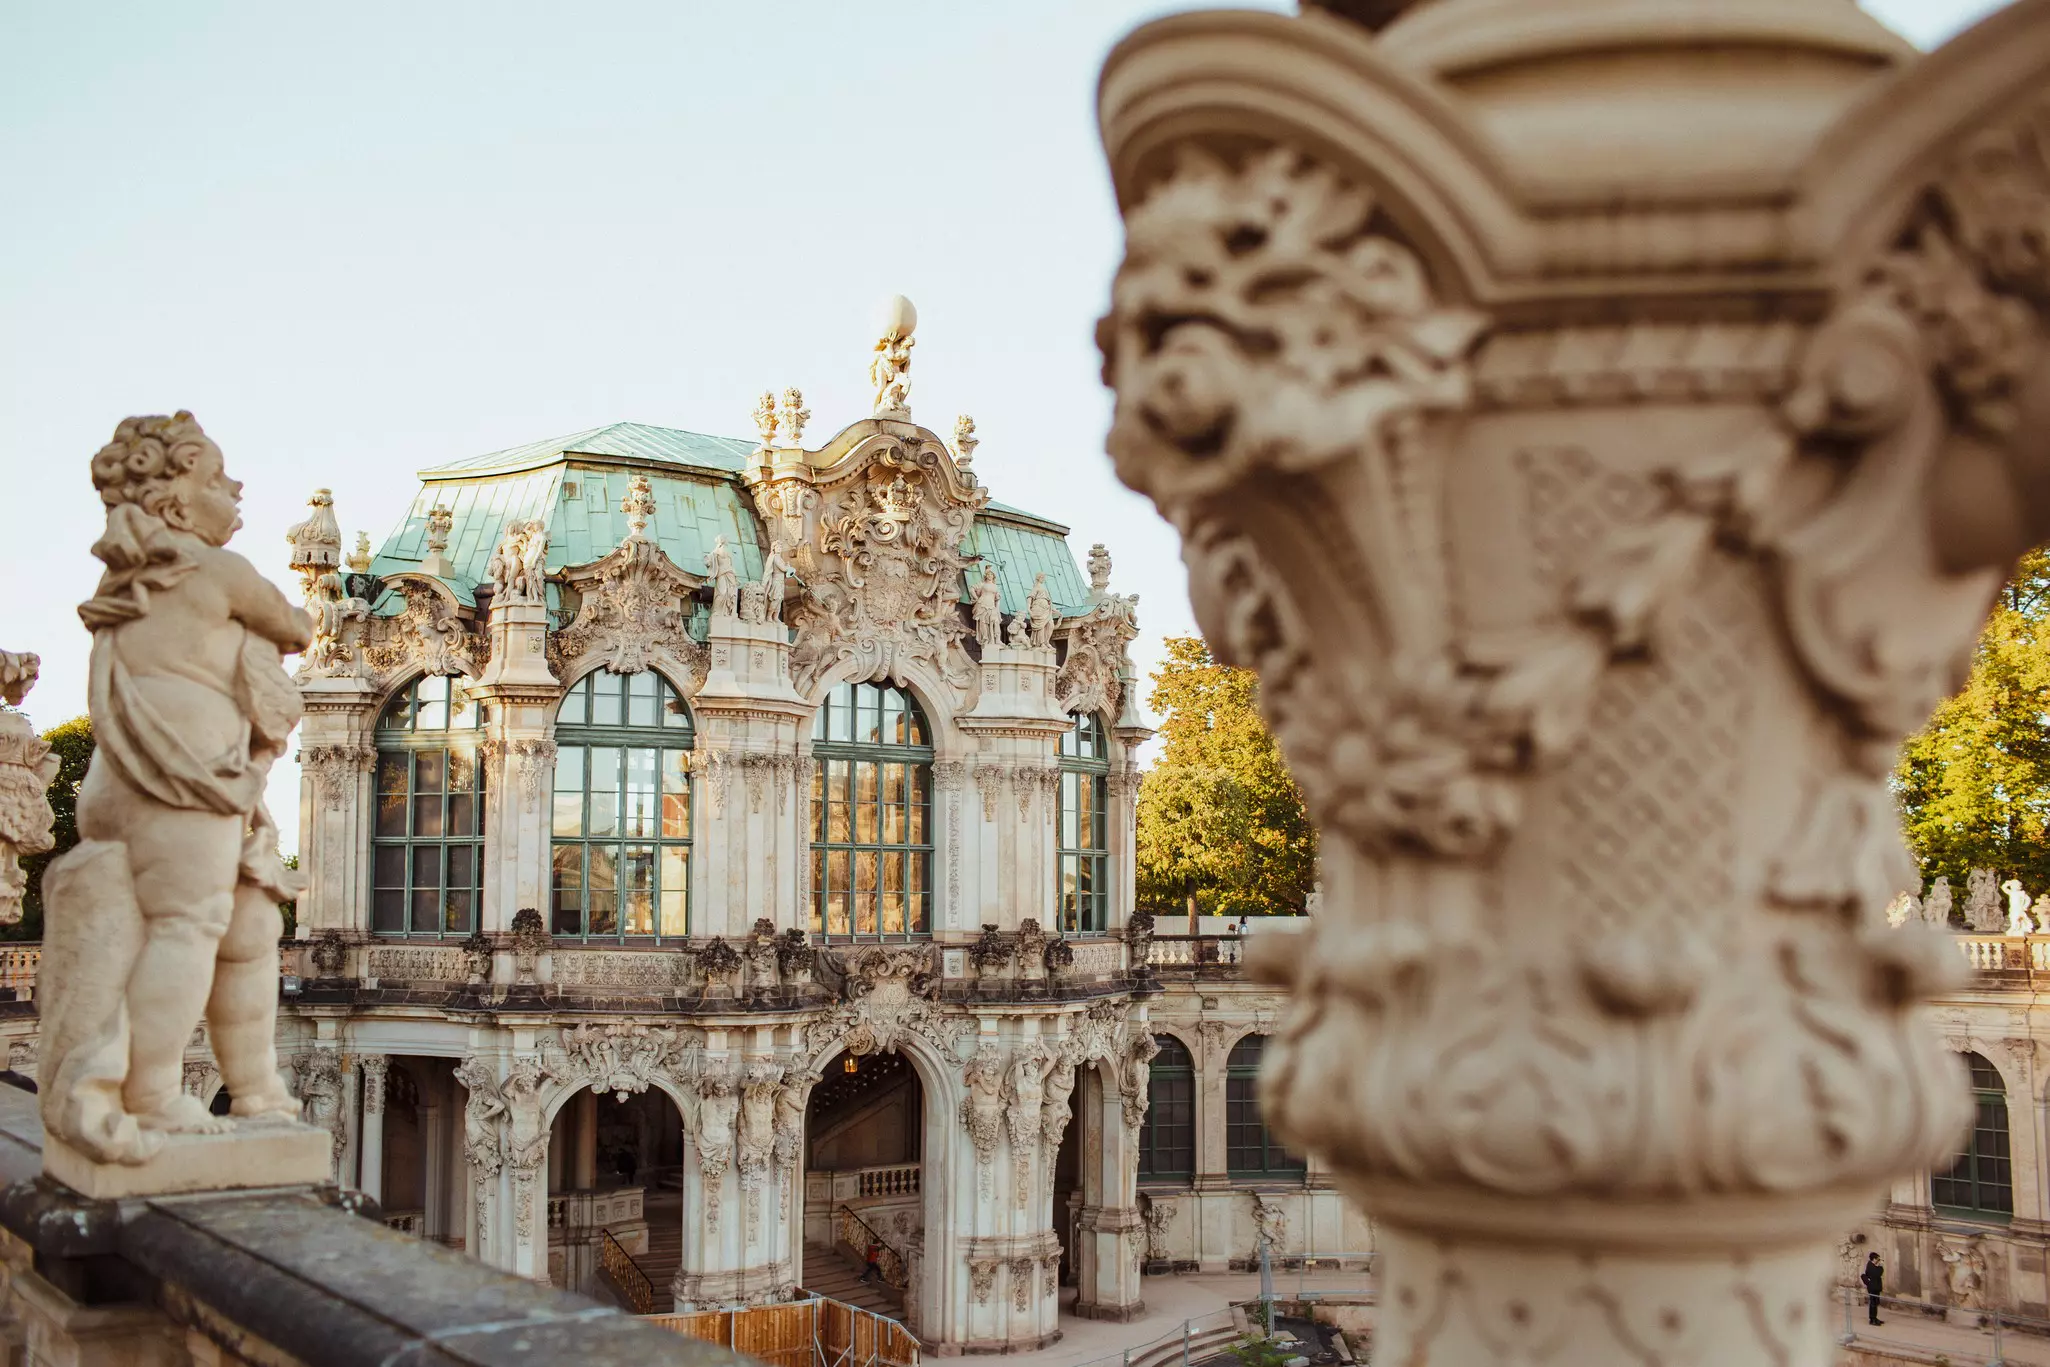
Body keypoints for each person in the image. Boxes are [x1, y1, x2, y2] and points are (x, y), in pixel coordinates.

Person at [1862, 1251, 1885, 1326]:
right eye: (1878, 1259)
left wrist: (1878, 1265)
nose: (1878, 1261)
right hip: (1873, 1288)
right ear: (1874, 1259)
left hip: (1875, 1288)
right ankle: (1872, 1320)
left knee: (1875, 1303)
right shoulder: (1871, 1266)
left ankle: (1875, 1318)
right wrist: (1880, 1266)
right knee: (1873, 1304)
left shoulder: (1872, 1265)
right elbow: (1878, 1274)